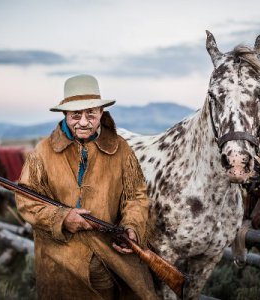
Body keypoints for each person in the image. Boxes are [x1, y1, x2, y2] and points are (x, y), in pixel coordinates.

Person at [15, 75, 158, 300]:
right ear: (65, 114)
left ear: (101, 112)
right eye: (76, 115)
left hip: (110, 257)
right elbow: (26, 200)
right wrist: (61, 218)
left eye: (91, 113)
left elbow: (136, 196)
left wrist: (132, 226)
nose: (84, 122)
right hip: (59, 259)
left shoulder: (121, 150)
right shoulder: (42, 152)